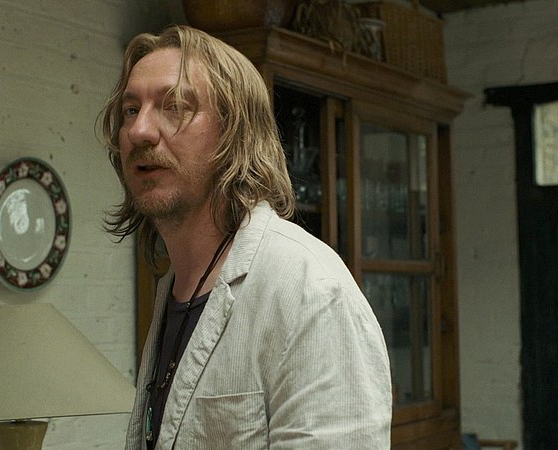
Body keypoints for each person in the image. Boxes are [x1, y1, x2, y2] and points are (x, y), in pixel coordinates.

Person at [100, 24, 392, 449]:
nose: (139, 131)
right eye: (131, 110)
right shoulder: (174, 289)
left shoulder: (309, 291)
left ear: (235, 134)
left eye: (175, 105)